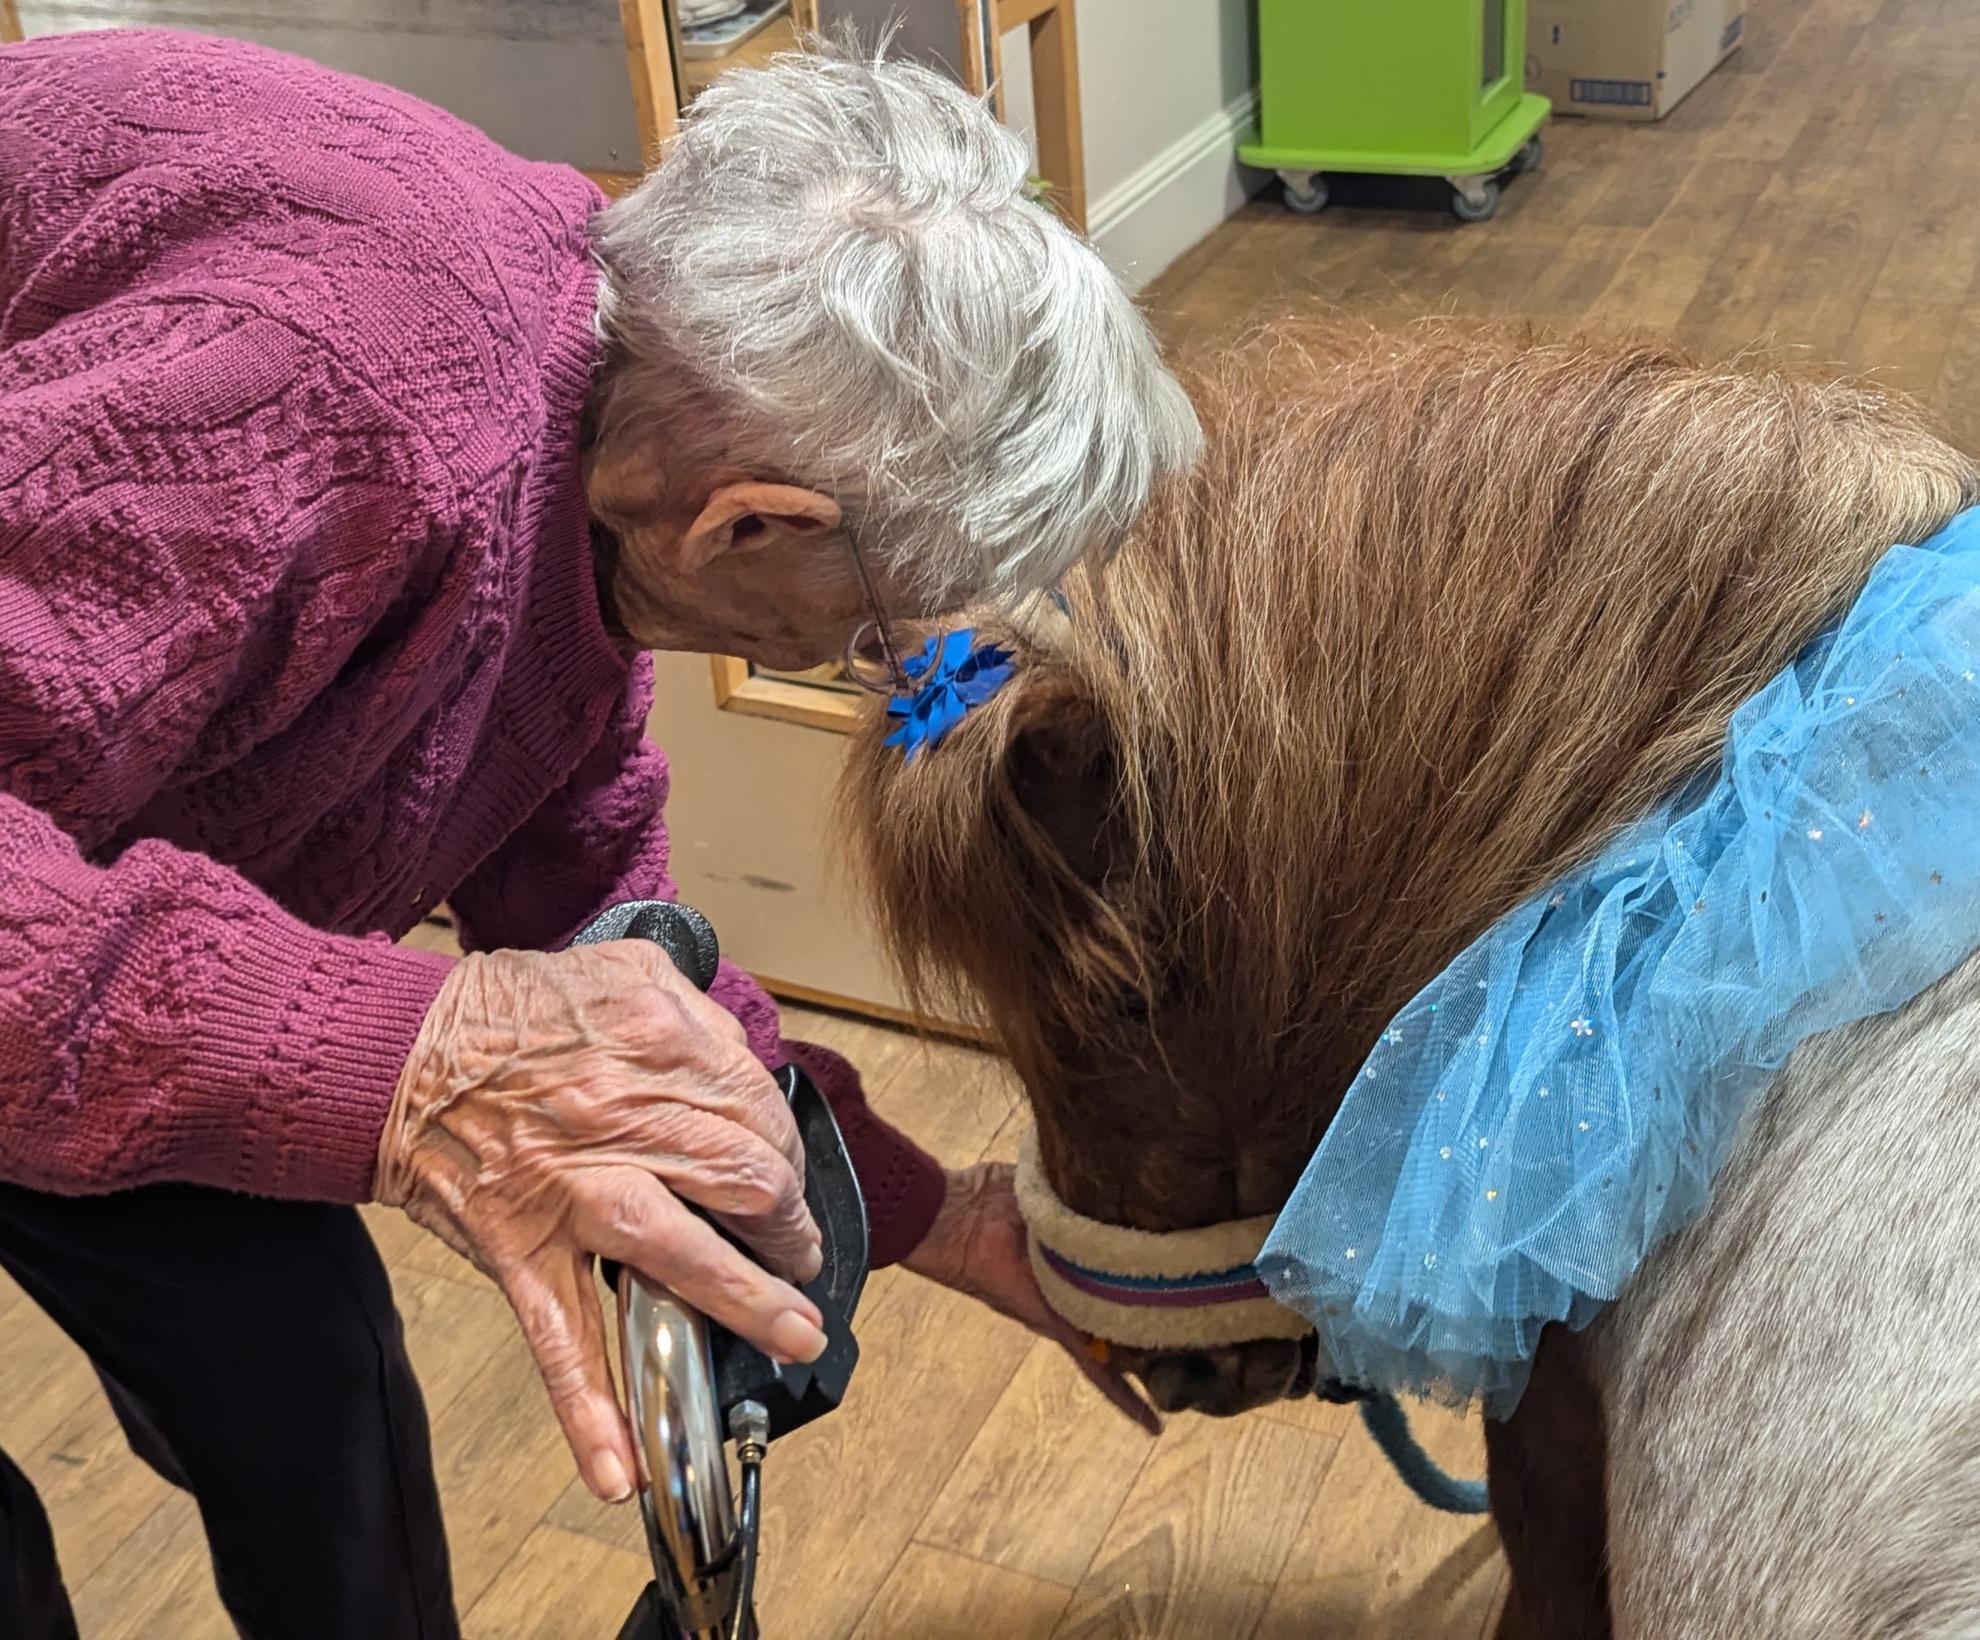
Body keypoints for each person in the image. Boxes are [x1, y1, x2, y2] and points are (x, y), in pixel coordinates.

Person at [0, 26, 1199, 1639]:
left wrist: (924, 1208)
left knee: (307, 1381)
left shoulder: (607, 406)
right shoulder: (316, 399)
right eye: (878, 631)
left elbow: (590, 894)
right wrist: (410, 1057)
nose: (878, 674)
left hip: (88, 906)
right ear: (755, 523)